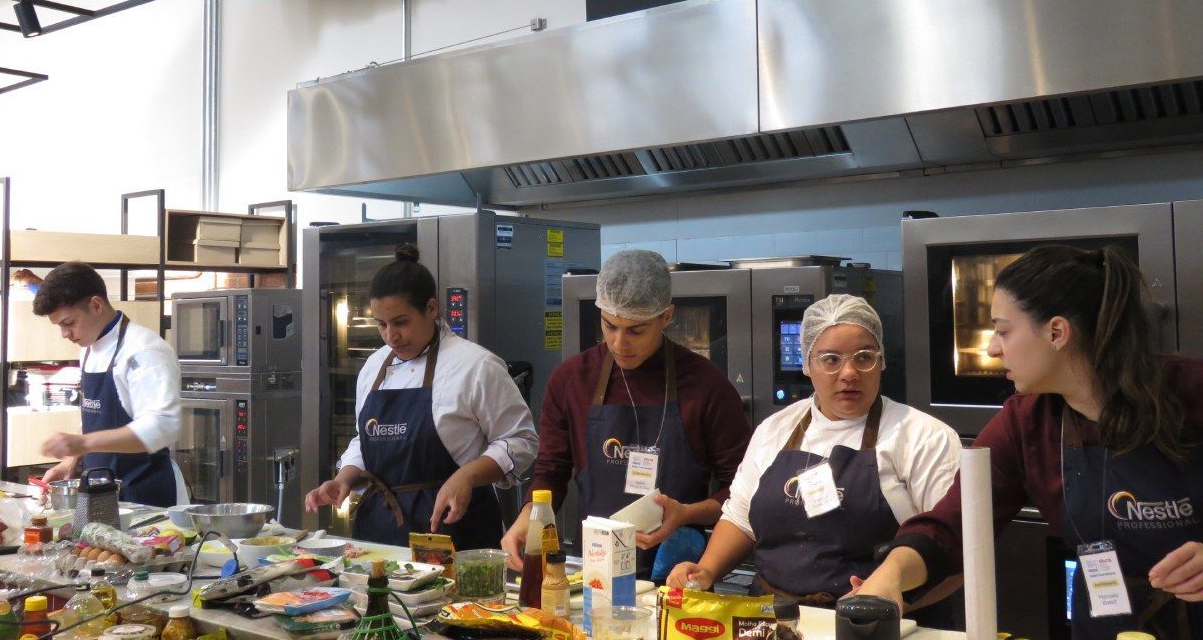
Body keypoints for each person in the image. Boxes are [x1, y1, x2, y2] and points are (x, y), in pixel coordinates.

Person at [857, 245, 1203, 640]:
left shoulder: (1202, 393)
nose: (992, 349)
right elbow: (953, 525)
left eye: (1003, 331)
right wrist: (891, 573)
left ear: (1057, 332)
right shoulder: (1025, 423)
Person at [666, 294, 961, 610]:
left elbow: (957, 548)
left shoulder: (923, 438)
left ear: (882, 361)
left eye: (864, 357)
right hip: (772, 619)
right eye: (831, 359)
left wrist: (890, 606)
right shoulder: (775, 430)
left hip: (878, 624)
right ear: (807, 364)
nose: (849, 373)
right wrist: (706, 570)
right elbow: (740, 517)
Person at [503, 249, 752, 577]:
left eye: (636, 330)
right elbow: (551, 470)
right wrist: (530, 517)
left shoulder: (706, 385)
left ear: (666, 317)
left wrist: (686, 513)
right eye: (610, 326)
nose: (620, 343)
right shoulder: (572, 380)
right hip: (595, 571)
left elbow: (742, 493)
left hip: (678, 576)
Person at [304, 245, 538, 550]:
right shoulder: (374, 367)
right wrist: (344, 479)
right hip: (379, 535)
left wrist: (466, 476)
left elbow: (521, 441)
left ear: (431, 308)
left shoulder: (475, 365)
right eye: (381, 324)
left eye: (401, 322)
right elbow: (366, 440)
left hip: (456, 534)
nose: (391, 336)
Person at [34, 262, 186, 507]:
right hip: (102, 489)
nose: (65, 334)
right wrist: (72, 460)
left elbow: (164, 425)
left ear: (96, 305)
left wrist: (83, 443)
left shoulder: (143, 350)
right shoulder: (89, 348)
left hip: (145, 494)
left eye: (69, 323)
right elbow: (99, 422)